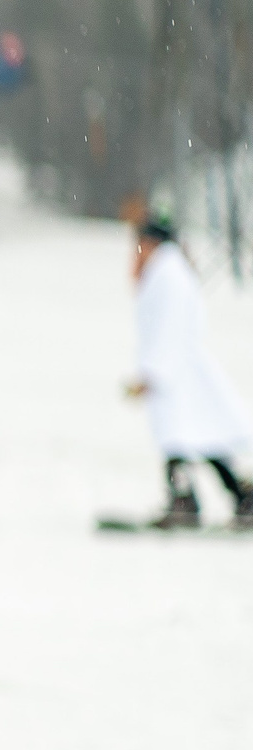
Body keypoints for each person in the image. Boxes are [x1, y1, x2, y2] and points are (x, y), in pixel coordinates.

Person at [126, 213, 251, 527]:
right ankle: (241, 496)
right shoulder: (171, 270)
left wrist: (152, 372)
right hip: (180, 370)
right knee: (203, 435)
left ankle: (185, 502)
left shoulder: (167, 274)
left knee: (179, 437)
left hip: (175, 372)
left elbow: (168, 328)